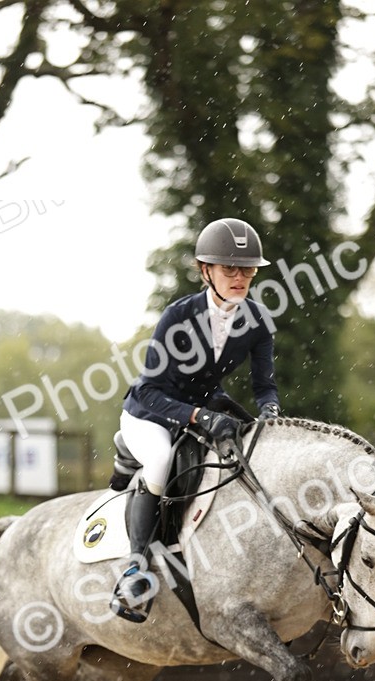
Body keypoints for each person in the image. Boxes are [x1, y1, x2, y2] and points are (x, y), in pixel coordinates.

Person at [110, 216, 281, 621]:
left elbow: (264, 386)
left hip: (203, 409)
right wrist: (198, 416)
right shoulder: (178, 315)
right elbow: (149, 390)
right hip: (150, 413)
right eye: (229, 269)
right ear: (206, 271)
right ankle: (135, 569)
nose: (240, 278)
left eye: (248, 270)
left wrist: (270, 413)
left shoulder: (257, 320)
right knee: (160, 460)